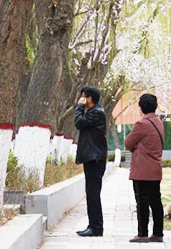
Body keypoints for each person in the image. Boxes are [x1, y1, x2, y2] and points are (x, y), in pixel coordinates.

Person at [125, 93, 165, 243]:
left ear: (141, 107)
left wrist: (137, 147)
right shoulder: (159, 122)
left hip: (142, 170)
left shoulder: (142, 124)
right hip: (155, 168)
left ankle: (142, 233)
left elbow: (128, 143)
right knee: (156, 201)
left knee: (142, 201)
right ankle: (158, 233)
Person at [74, 86, 107, 237]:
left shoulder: (97, 112)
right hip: (92, 158)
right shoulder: (94, 111)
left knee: (93, 193)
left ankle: (96, 228)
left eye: (83, 97)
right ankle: (93, 226)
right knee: (91, 193)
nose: (81, 99)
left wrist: (79, 107)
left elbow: (78, 123)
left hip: (95, 159)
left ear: (89, 99)